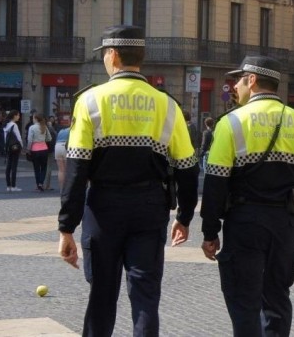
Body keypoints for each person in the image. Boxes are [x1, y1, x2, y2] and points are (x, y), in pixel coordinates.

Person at [57, 25, 199, 337]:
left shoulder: (91, 101)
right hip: (150, 207)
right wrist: (185, 217)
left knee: (102, 295)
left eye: (105, 54)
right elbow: (188, 168)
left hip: (103, 209)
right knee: (145, 296)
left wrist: (66, 226)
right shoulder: (167, 105)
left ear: (113, 55)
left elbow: (77, 169)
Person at [200, 55, 294, 337]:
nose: (234, 86)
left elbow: (215, 183)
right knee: (277, 297)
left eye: (238, 80)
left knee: (243, 300)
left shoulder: (231, 123)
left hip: (245, 222)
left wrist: (210, 232)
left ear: (253, 80)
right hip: (286, 225)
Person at [27, 113, 52, 191]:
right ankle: (41, 182)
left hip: (35, 150)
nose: (32, 119)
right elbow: (49, 138)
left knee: (36, 168)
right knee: (44, 168)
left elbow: (30, 140)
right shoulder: (44, 127)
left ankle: (38, 184)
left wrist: (28, 149)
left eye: (33, 118)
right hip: (44, 149)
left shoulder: (32, 127)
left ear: (36, 119)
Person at [3, 110, 23, 192]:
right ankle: (14, 186)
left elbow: (5, 138)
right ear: (14, 116)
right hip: (15, 147)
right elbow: (18, 137)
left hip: (8, 147)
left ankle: (8, 186)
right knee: (14, 166)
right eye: (18, 115)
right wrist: (21, 146)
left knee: (8, 166)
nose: (19, 117)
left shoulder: (6, 125)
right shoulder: (14, 125)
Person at [54, 125, 70, 192]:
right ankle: (68, 189)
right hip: (66, 147)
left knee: (61, 170)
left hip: (57, 146)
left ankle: (61, 189)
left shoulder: (61, 131)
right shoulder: (72, 130)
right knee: (68, 170)